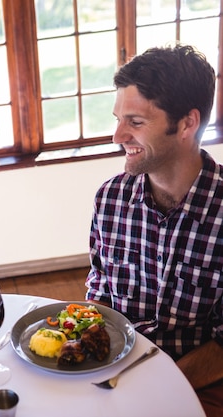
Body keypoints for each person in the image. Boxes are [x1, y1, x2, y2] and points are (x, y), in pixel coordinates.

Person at [86, 44, 223, 416]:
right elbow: (100, 285)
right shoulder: (110, 198)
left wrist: (155, 387)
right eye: (117, 118)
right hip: (118, 372)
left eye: (135, 121)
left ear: (187, 123)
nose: (117, 135)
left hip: (200, 381)